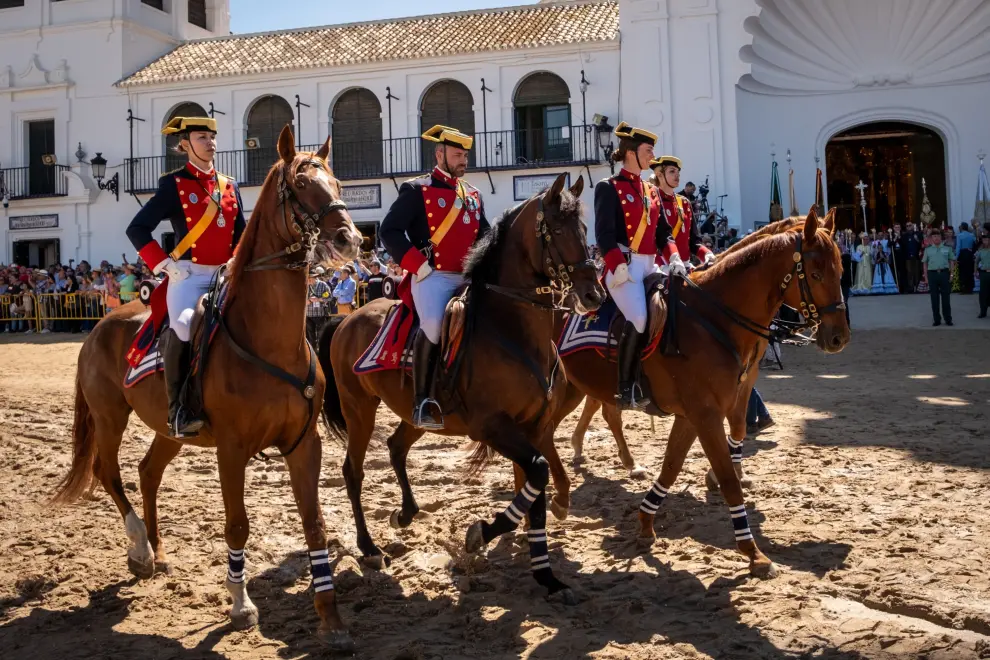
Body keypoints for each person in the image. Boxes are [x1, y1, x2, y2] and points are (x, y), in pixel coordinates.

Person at [125, 116, 247, 437]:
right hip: (188, 277)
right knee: (182, 325)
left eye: (212, 136)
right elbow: (137, 228)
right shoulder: (174, 184)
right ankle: (177, 409)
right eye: (202, 137)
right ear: (185, 145)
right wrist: (163, 264)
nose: (210, 142)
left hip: (224, 277)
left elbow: (242, 238)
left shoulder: (229, 186)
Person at [379, 124, 489, 429]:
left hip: (467, 277)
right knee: (434, 325)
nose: (463, 160)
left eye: (465, 155)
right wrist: (416, 264)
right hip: (433, 276)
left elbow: (486, 238)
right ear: (439, 154)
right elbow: (388, 231)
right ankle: (422, 401)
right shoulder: (417, 190)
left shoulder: (474, 195)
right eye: (457, 154)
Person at [922, 229, 954, 326]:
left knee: (946, 298)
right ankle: (936, 319)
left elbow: (951, 261)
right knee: (934, 298)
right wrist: (926, 278)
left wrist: (952, 274)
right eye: (934, 236)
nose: (936, 238)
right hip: (932, 274)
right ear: (931, 238)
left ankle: (948, 319)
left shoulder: (947, 248)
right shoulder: (928, 249)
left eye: (938, 236)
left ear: (941, 237)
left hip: (944, 273)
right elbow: (925, 264)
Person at [955, 222, 977, 294]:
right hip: (970, 253)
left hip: (963, 253)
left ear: (962, 227)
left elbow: (958, 247)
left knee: (963, 271)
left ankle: (964, 288)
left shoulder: (959, 235)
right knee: (970, 271)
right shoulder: (971, 235)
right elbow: (975, 242)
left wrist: (956, 257)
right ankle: (970, 288)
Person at [976, 233, 990, 318]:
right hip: (984, 273)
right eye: (983, 240)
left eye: (986, 240)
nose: (985, 242)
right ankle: (983, 311)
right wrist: (975, 271)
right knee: (983, 293)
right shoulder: (981, 251)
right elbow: (976, 262)